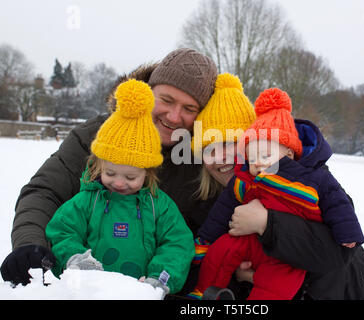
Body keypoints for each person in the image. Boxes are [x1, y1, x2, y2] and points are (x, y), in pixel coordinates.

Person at [1, 48, 218, 286]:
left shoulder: (204, 158)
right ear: (147, 92)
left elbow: (205, 230)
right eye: (166, 100)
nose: (175, 117)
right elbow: (45, 191)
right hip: (84, 285)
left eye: (189, 109)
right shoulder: (96, 136)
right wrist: (30, 243)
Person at [190, 88, 364, 299]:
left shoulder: (314, 180)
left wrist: (266, 223)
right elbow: (217, 223)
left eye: (230, 143)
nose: (221, 157)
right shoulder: (231, 188)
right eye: (209, 149)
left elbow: (337, 251)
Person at [45, 79, 194, 297]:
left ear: (148, 172)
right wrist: (76, 259)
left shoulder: (158, 205)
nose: (119, 183)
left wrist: (160, 278)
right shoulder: (87, 201)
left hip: (139, 293)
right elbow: (61, 232)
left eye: (131, 177)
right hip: (90, 292)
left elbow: (178, 243)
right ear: (98, 165)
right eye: (110, 173)